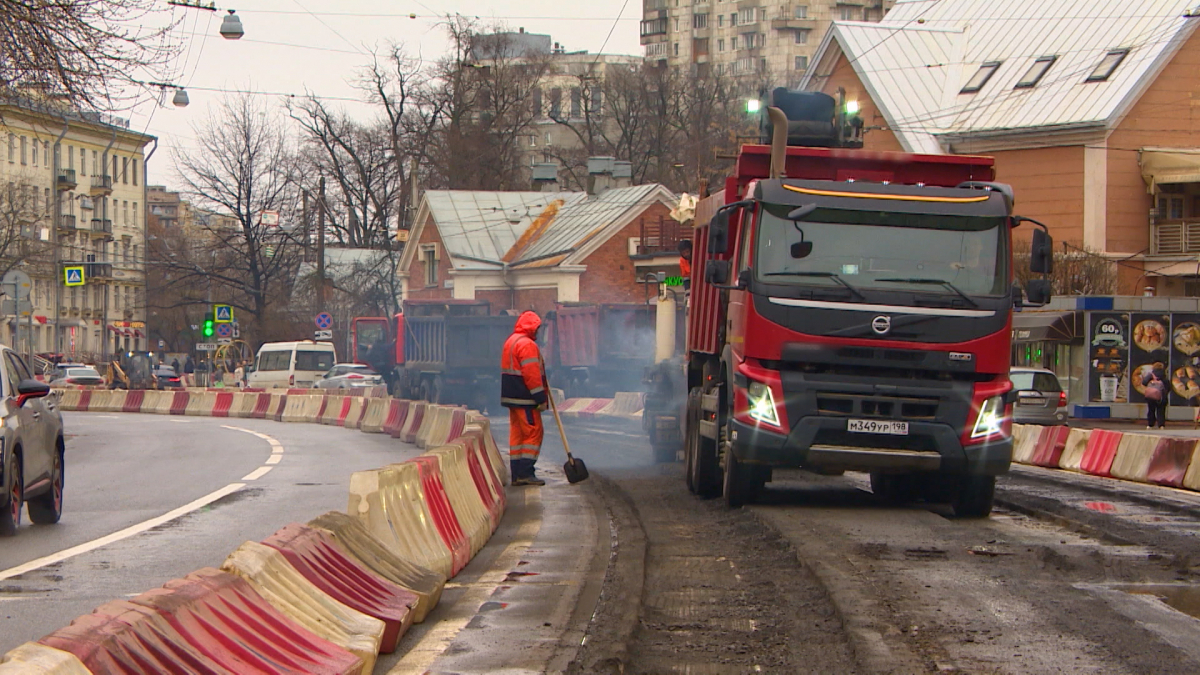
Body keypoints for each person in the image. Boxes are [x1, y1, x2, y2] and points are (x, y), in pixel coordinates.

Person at [501, 311, 549, 486]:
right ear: (532, 327)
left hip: (512, 397)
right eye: (537, 328)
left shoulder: (511, 341)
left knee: (518, 434)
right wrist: (540, 397)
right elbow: (531, 374)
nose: (538, 332)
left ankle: (516, 473)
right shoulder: (527, 345)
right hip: (525, 398)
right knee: (533, 432)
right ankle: (526, 472)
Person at [1142, 361, 1169, 429]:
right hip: (1162, 396)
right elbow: (1168, 387)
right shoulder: (1164, 376)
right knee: (1161, 410)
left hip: (1151, 396)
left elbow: (1144, 382)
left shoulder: (1151, 375)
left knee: (1151, 410)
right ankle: (1161, 425)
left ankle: (1150, 424)